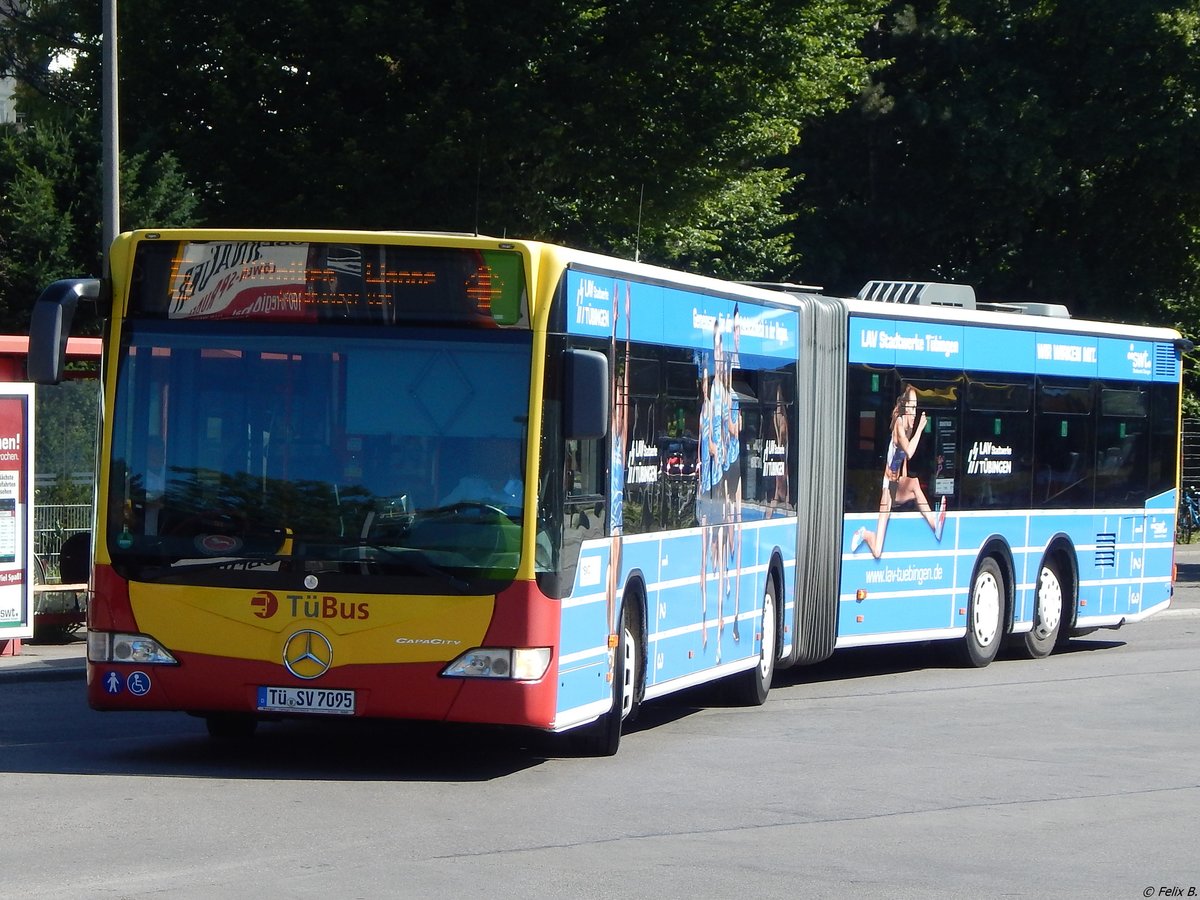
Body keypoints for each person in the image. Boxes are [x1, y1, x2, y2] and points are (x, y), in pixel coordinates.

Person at [851, 385, 946, 559]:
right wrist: (920, 429)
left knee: (915, 484)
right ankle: (865, 534)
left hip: (896, 486)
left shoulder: (907, 428)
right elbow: (909, 452)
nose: (914, 413)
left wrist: (904, 479)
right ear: (904, 408)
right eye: (911, 408)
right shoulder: (899, 426)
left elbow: (902, 459)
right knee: (878, 551)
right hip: (888, 488)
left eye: (916, 408)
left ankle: (935, 525)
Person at [439, 442, 523, 510]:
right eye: (491, 457)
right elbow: (442, 510)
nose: (494, 462)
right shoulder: (468, 486)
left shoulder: (522, 492)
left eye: (500, 456)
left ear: (511, 462)